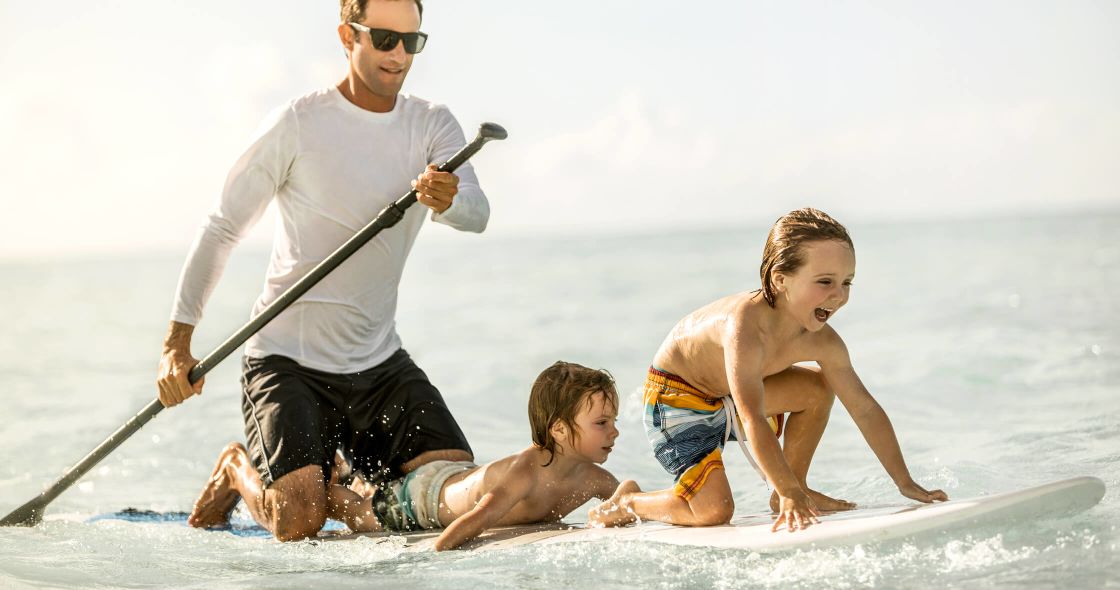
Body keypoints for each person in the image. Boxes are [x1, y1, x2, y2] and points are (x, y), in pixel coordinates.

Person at [159, 0, 491, 541]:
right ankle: (236, 468)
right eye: (384, 38)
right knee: (300, 523)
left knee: (454, 489)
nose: (399, 53)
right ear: (347, 35)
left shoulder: (432, 125)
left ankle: (338, 476)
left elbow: (477, 214)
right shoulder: (300, 122)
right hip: (285, 361)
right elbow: (222, 226)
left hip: (378, 362)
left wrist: (448, 200)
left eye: (412, 41)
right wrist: (177, 344)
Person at [589, 208, 948, 532]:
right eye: (825, 282)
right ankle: (630, 501)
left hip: (728, 395)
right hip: (677, 399)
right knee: (714, 511)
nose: (839, 296)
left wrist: (905, 481)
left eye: (847, 282)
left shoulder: (822, 341)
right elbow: (754, 417)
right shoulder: (744, 328)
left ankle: (795, 486)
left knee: (820, 388)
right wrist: (784, 487)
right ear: (780, 279)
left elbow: (864, 408)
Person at [190, 361, 623, 551]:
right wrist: (437, 556)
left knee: (365, 497)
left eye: (613, 421)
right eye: (602, 423)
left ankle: (344, 472)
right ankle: (247, 466)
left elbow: (623, 496)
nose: (614, 432)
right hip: (424, 498)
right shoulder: (527, 471)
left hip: (454, 474)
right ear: (560, 431)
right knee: (352, 511)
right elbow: (473, 521)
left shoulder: (590, 478)